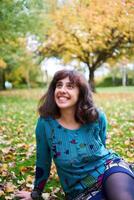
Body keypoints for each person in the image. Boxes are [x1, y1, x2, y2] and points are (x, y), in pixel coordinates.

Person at [15, 70, 134, 200]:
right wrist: (36, 192)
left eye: (70, 86)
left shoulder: (96, 116)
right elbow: (43, 160)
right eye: (59, 85)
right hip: (80, 189)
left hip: (108, 168)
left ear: (81, 93)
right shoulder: (45, 123)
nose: (62, 90)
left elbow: (102, 146)